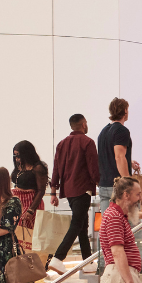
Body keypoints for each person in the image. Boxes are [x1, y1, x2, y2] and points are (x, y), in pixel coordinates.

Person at [49, 114, 99, 271]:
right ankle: (58, 257)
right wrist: (101, 183)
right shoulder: (88, 142)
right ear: (84, 124)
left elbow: (56, 168)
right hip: (83, 188)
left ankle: (87, 262)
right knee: (77, 223)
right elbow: (93, 168)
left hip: (68, 190)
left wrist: (53, 192)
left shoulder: (61, 144)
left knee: (83, 223)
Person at [97, 98, 138, 218]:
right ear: (125, 111)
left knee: (107, 226)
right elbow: (119, 157)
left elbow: (109, 155)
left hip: (104, 184)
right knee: (129, 227)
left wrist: (129, 162)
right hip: (117, 188)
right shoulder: (121, 130)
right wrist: (128, 183)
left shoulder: (103, 132)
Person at [11, 140, 49, 256]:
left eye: (19, 155)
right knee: (16, 232)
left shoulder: (37, 168)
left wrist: (31, 210)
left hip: (31, 203)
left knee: (28, 234)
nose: (17, 158)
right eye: (15, 155)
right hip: (18, 202)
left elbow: (41, 190)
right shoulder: (20, 166)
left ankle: (31, 261)